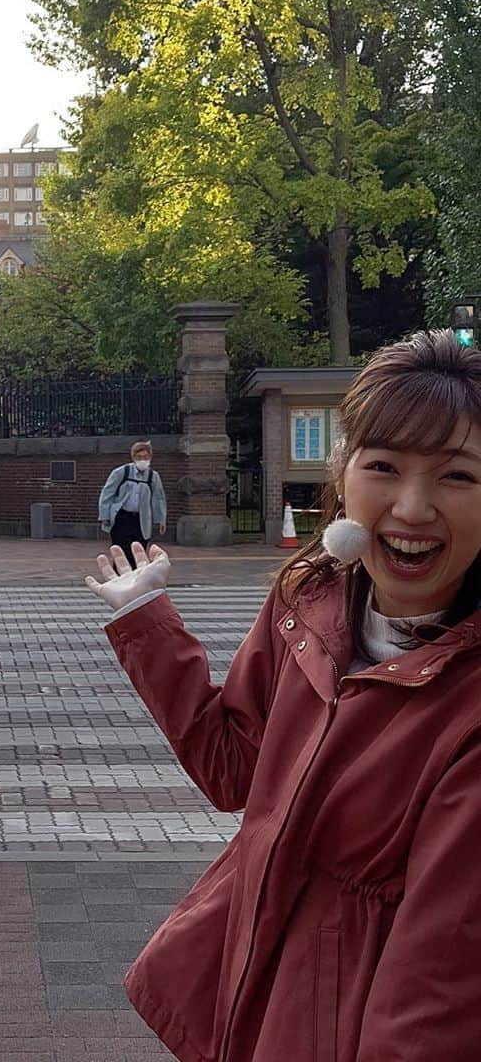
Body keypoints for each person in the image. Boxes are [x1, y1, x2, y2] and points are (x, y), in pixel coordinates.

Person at [84, 330, 481, 1061]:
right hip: (257, 985)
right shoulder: (312, 600)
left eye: (458, 477)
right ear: (345, 473)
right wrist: (147, 623)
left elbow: (434, 1000)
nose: (414, 506)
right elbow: (233, 768)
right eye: (384, 466)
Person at [98, 440, 167, 569]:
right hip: (122, 518)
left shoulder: (153, 477)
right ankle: (119, 579)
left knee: (138, 552)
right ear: (133, 457)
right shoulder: (121, 472)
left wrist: (160, 519)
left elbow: (158, 498)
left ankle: (135, 581)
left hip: (141, 519)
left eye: (146, 457)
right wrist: (105, 516)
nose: (143, 460)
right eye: (139, 457)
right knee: (121, 553)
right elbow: (107, 493)